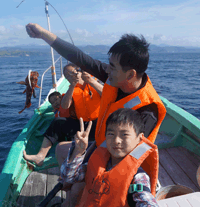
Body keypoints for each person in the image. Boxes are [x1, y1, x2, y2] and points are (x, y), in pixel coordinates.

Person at [25, 23, 166, 147]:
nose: (107, 69)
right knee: (61, 150)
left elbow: (130, 155)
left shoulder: (147, 111)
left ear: (130, 74)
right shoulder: (118, 77)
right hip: (102, 140)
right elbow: (79, 57)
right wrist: (43, 34)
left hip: (116, 160)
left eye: (112, 67)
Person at [52, 108, 161, 207]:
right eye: (111, 134)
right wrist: (78, 152)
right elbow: (69, 177)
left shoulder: (138, 176)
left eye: (125, 135)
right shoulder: (97, 162)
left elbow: (146, 203)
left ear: (139, 138)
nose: (116, 140)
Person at [23, 63, 103, 166]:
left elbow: (106, 94)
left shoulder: (94, 82)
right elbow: (65, 106)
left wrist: (90, 81)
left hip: (98, 123)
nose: (70, 77)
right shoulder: (71, 89)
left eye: (72, 73)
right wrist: (72, 86)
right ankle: (40, 156)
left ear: (80, 72)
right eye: (67, 76)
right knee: (57, 122)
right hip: (81, 125)